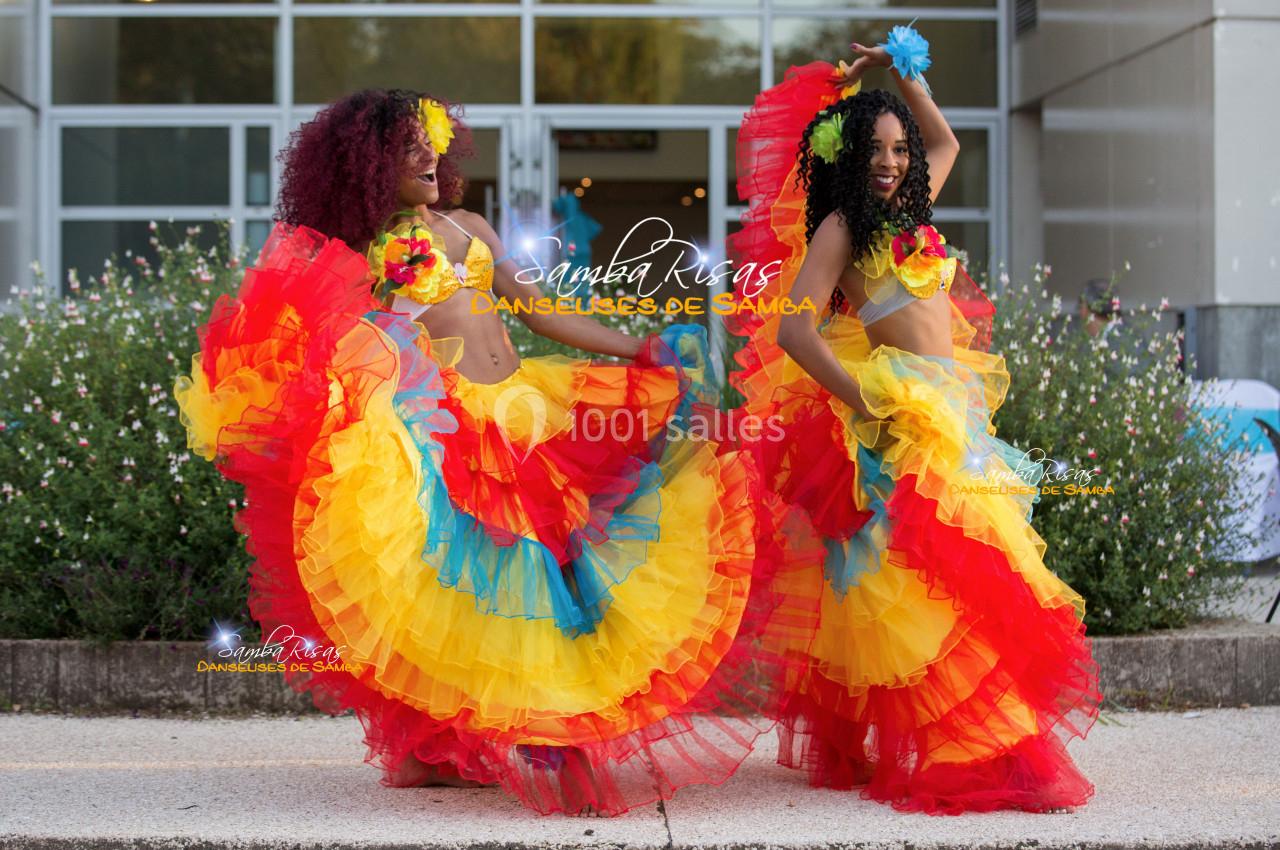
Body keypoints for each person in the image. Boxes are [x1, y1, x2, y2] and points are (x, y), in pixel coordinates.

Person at [174, 88, 818, 816]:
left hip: (525, 409)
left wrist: (637, 346)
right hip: (451, 429)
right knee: (492, 585)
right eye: (407, 146)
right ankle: (528, 735)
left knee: (563, 565)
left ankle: (528, 732)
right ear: (368, 165)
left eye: (430, 142)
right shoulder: (359, 253)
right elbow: (339, 342)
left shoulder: (468, 226)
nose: (427, 156)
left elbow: (540, 310)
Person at [727, 27, 1102, 814]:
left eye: (899, 149)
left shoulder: (909, 213)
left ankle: (973, 729)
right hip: (898, 413)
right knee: (925, 576)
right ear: (847, 159)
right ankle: (971, 736)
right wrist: (860, 397)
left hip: (950, 406)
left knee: (969, 564)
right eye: (875, 150)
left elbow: (947, 141)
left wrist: (903, 72)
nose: (892, 161)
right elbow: (795, 330)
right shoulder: (841, 227)